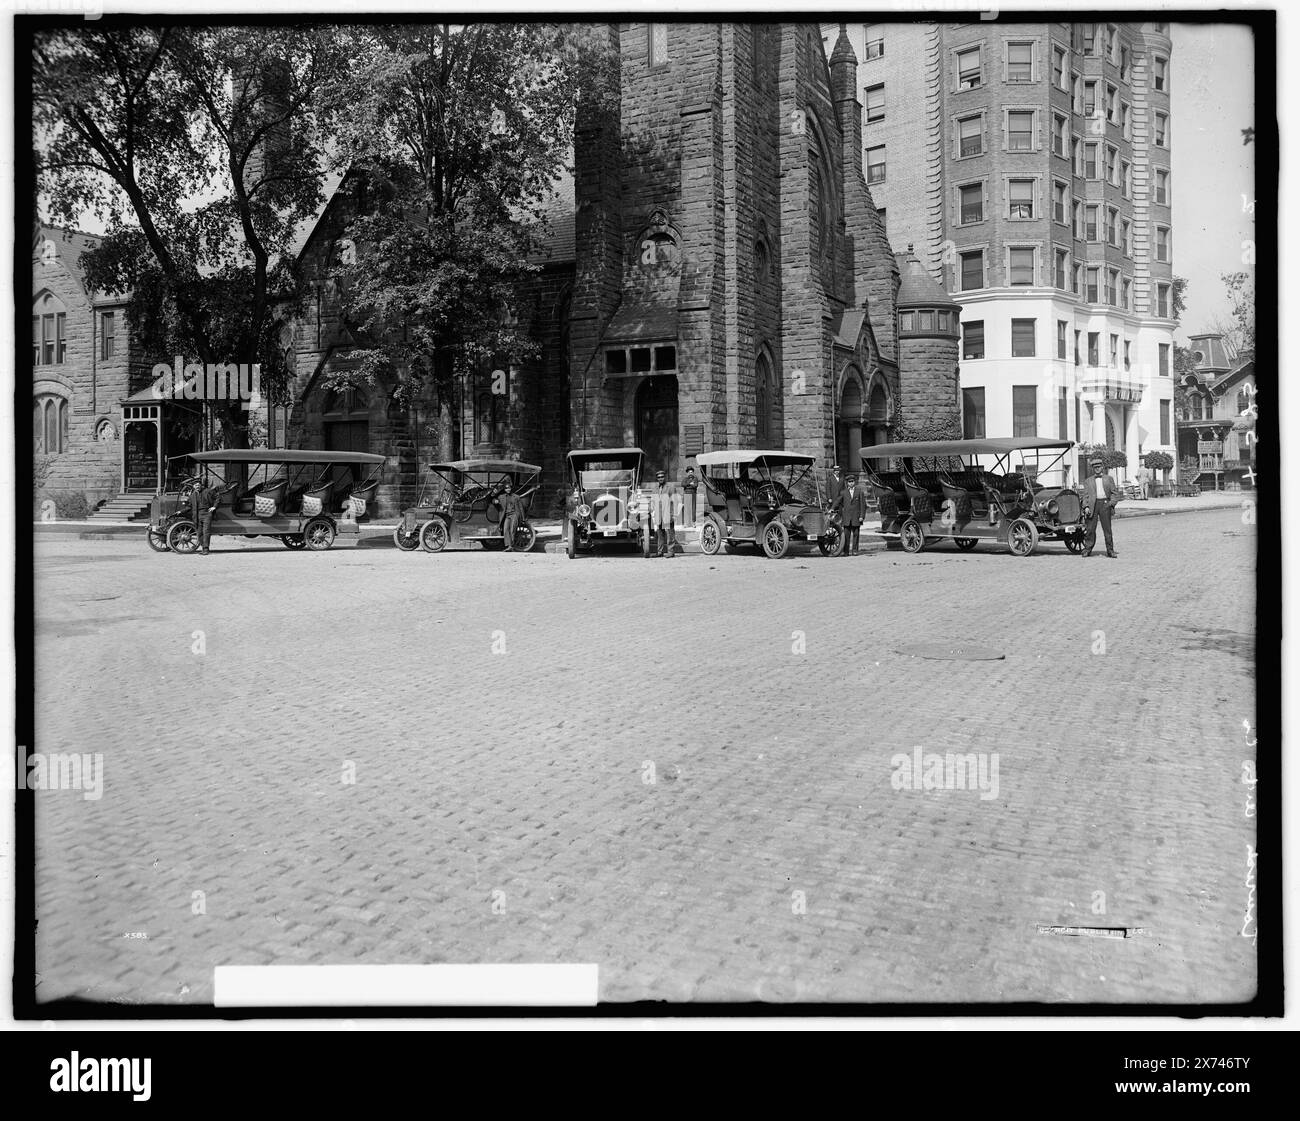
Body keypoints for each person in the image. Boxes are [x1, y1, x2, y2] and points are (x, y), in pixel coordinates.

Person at [1080, 458, 1120, 558]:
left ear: (1102, 467)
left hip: (1105, 504)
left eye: (1099, 467)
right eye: (1095, 467)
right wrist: (1086, 507)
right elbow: (1085, 496)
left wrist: (1111, 503)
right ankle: (1087, 549)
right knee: (1090, 529)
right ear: (1093, 469)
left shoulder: (1109, 479)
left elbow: (1115, 493)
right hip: (1092, 506)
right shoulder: (1088, 481)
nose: (1097, 469)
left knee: (1107, 529)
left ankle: (1110, 551)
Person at [832, 471, 869, 556]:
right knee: (846, 536)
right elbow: (837, 501)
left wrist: (862, 516)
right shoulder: (843, 492)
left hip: (856, 517)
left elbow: (863, 505)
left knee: (856, 535)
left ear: (854, 482)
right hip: (847, 518)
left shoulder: (859, 491)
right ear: (847, 483)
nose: (851, 483)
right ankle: (846, 551)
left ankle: (855, 550)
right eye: (849, 482)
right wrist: (832, 508)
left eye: (852, 481)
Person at [190, 477, 224, 555]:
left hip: (206, 514)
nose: (197, 486)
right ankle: (203, 547)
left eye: (198, 485)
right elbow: (189, 506)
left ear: (201, 485)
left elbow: (218, 498)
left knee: (206, 531)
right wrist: (180, 512)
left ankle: (206, 549)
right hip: (197, 515)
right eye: (195, 485)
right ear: (193, 487)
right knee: (199, 533)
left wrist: (214, 507)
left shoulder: (208, 491)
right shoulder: (192, 496)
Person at [650, 470, 680, 558]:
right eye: (659, 477)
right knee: (660, 533)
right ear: (657, 478)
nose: (660, 479)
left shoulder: (670, 487)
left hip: (668, 513)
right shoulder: (655, 489)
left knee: (670, 532)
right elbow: (652, 500)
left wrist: (673, 514)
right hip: (658, 513)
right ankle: (660, 552)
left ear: (665, 477)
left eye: (662, 477)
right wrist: (650, 507)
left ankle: (671, 552)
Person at [498, 478, 527, 551]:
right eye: (506, 488)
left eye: (509, 488)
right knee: (505, 529)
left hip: (514, 514)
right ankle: (509, 545)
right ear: (504, 489)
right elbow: (493, 499)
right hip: (507, 516)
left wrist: (523, 519)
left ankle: (511, 546)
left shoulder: (516, 497)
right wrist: (494, 501)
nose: (508, 489)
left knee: (512, 530)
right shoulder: (501, 497)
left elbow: (521, 508)